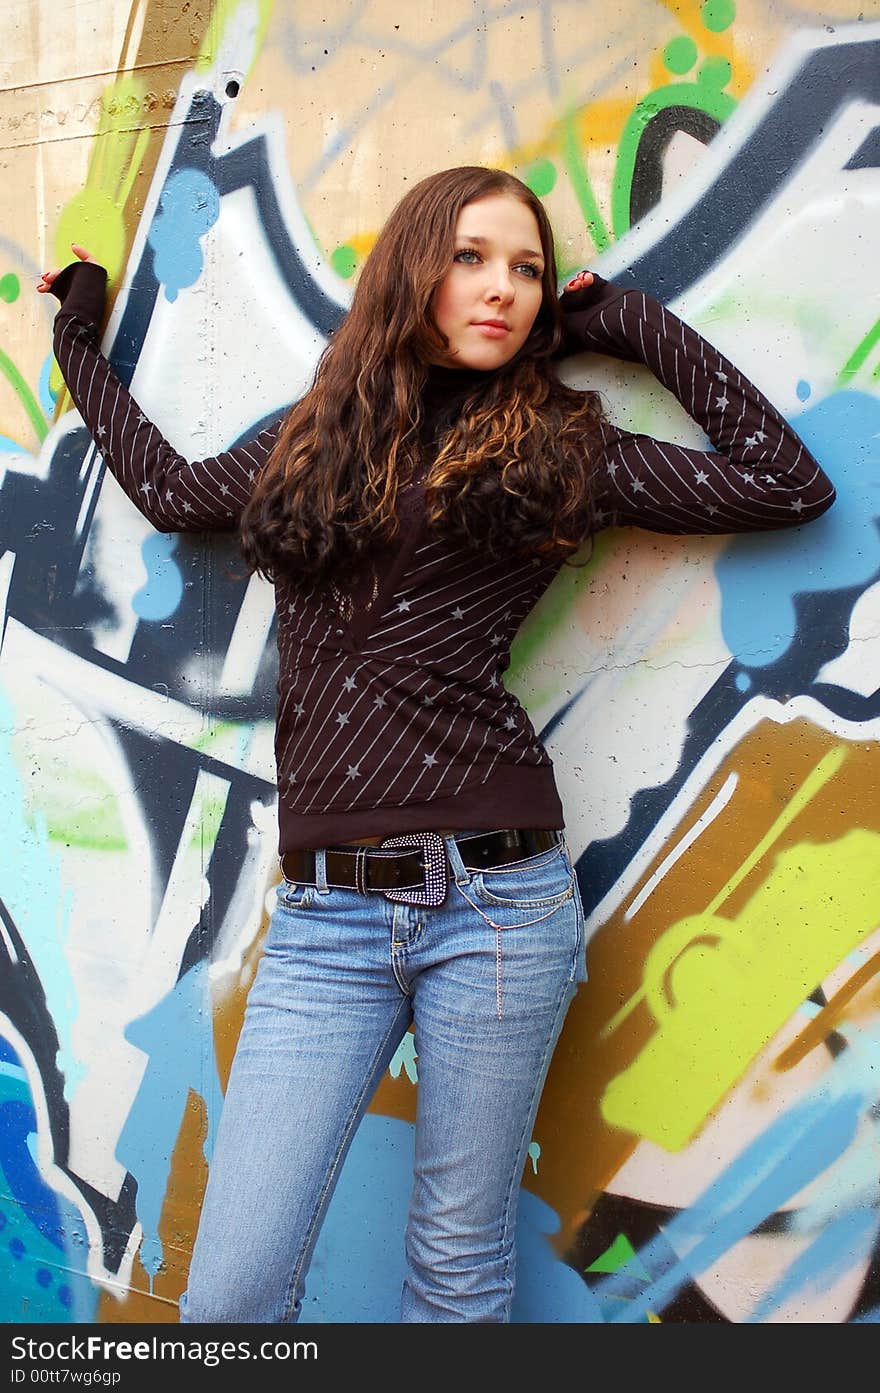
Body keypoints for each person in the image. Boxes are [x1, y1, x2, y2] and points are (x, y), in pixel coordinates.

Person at [37, 164, 835, 1324]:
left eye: (526, 268)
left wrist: (633, 322)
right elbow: (165, 488)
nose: (503, 288)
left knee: (457, 1282)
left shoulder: (562, 445)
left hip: (498, 900)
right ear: (414, 266)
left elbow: (785, 482)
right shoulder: (311, 442)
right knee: (231, 1296)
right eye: (470, 256)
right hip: (325, 921)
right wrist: (78, 335)